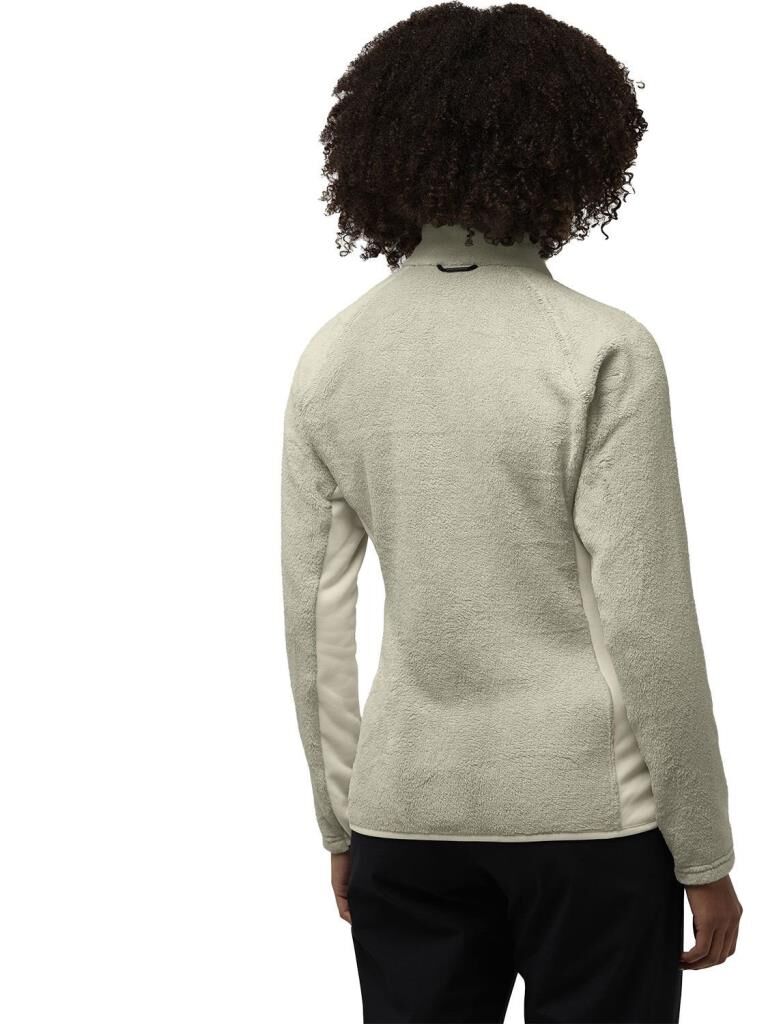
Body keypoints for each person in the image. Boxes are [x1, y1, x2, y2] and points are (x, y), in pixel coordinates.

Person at [280, 4, 742, 1021]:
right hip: (593, 825)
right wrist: (702, 849)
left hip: (406, 816)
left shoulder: (333, 359)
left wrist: (341, 822)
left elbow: (313, 621)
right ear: (574, 151)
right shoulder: (601, 350)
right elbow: (648, 617)